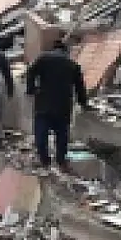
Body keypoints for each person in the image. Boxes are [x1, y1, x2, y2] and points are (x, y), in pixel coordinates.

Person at [25, 39, 91, 170]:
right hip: (63, 106)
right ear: (65, 51)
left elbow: (30, 71)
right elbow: (80, 88)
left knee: (41, 134)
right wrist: (84, 103)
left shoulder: (43, 58)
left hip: (43, 104)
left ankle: (44, 160)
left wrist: (31, 89)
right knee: (62, 135)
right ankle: (61, 161)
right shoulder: (73, 64)